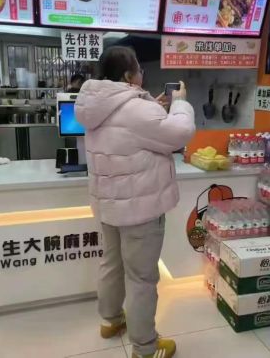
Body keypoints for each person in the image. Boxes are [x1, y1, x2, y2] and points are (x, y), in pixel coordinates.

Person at [75, 46, 195, 358]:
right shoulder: (137, 110)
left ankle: (111, 320)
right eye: (139, 68)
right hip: (140, 209)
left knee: (111, 264)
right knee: (141, 278)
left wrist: (151, 106)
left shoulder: (94, 104)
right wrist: (181, 103)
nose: (142, 73)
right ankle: (145, 348)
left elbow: (127, 129)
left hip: (108, 205)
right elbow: (180, 133)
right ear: (129, 75)